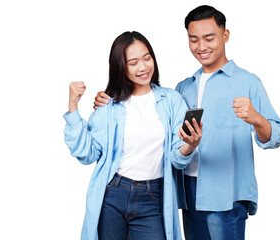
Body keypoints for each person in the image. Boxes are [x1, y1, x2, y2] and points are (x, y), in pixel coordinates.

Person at [94, 5, 280, 240]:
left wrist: (256, 118)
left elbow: (276, 136)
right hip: (187, 192)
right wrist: (108, 100)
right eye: (194, 39)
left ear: (225, 36)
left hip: (226, 194)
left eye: (209, 38)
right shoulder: (183, 88)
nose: (201, 46)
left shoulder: (248, 82)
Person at [64, 31, 203, 240]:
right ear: (121, 67)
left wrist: (190, 145)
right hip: (113, 194)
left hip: (153, 196)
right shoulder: (109, 105)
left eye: (147, 58)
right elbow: (88, 155)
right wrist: (73, 108)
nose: (143, 67)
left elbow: (177, 158)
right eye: (133, 62)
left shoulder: (171, 100)